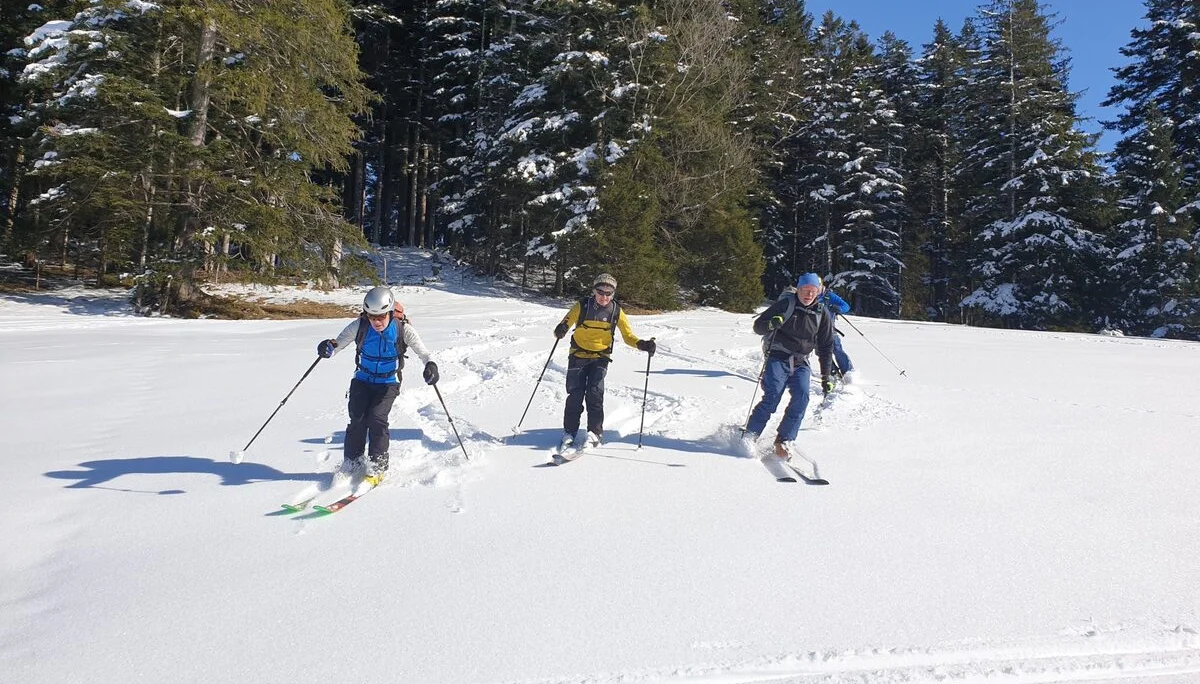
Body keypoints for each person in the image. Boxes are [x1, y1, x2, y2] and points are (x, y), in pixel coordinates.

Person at [316, 286, 438, 483]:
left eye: (381, 316)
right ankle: (352, 462)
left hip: (388, 382)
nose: (377, 321)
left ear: (389, 312)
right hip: (362, 379)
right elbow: (336, 346)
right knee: (357, 418)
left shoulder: (402, 329)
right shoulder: (359, 326)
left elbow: (424, 353)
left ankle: (378, 464)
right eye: (372, 317)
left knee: (376, 418)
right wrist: (326, 349)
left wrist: (430, 366)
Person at [552, 273, 655, 452]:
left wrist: (642, 344)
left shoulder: (616, 311)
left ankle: (594, 433)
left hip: (600, 358)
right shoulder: (582, 306)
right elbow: (564, 325)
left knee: (595, 394)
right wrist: (560, 330)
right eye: (601, 292)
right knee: (575, 396)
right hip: (578, 355)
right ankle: (569, 432)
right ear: (594, 291)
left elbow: (628, 335)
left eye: (609, 293)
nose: (604, 297)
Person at [744, 272, 834, 460]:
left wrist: (827, 376)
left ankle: (784, 440)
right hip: (778, 356)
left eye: (813, 291)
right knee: (772, 395)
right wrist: (771, 324)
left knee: (802, 398)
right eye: (805, 290)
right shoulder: (786, 304)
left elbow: (826, 346)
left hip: (801, 360)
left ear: (818, 292)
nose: (808, 294)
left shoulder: (822, 313)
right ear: (798, 289)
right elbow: (758, 326)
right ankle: (750, 435)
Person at [817, 280, 856, 380]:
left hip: (829, 328)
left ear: (822, 286)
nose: (816, 289)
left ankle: (848, 372)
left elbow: (846, 306)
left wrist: (838, 308)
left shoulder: (829, 296)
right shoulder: (808, 296)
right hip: (813, 330)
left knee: (837, 349)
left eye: (818, 286)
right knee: (821, 352)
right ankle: (832, 372)